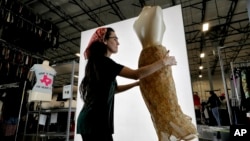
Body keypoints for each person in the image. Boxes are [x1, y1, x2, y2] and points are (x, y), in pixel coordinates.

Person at [76, 27, 177, 141]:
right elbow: (136, 74)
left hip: (91, 121)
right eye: (115, 39)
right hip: (95, 122)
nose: (118, 43)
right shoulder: (104, 62)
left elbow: (114, 89)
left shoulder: (99, 64)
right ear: (104, 41)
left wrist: (136, 84)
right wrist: (164, 62)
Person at [133, 6, 197, 141]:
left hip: (155, 58)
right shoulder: (150, 11)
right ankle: (172, 134)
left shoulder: (156, 10)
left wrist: (164, 62)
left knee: (167, 100)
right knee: (155, 106)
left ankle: (177, 133)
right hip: (152, 59)